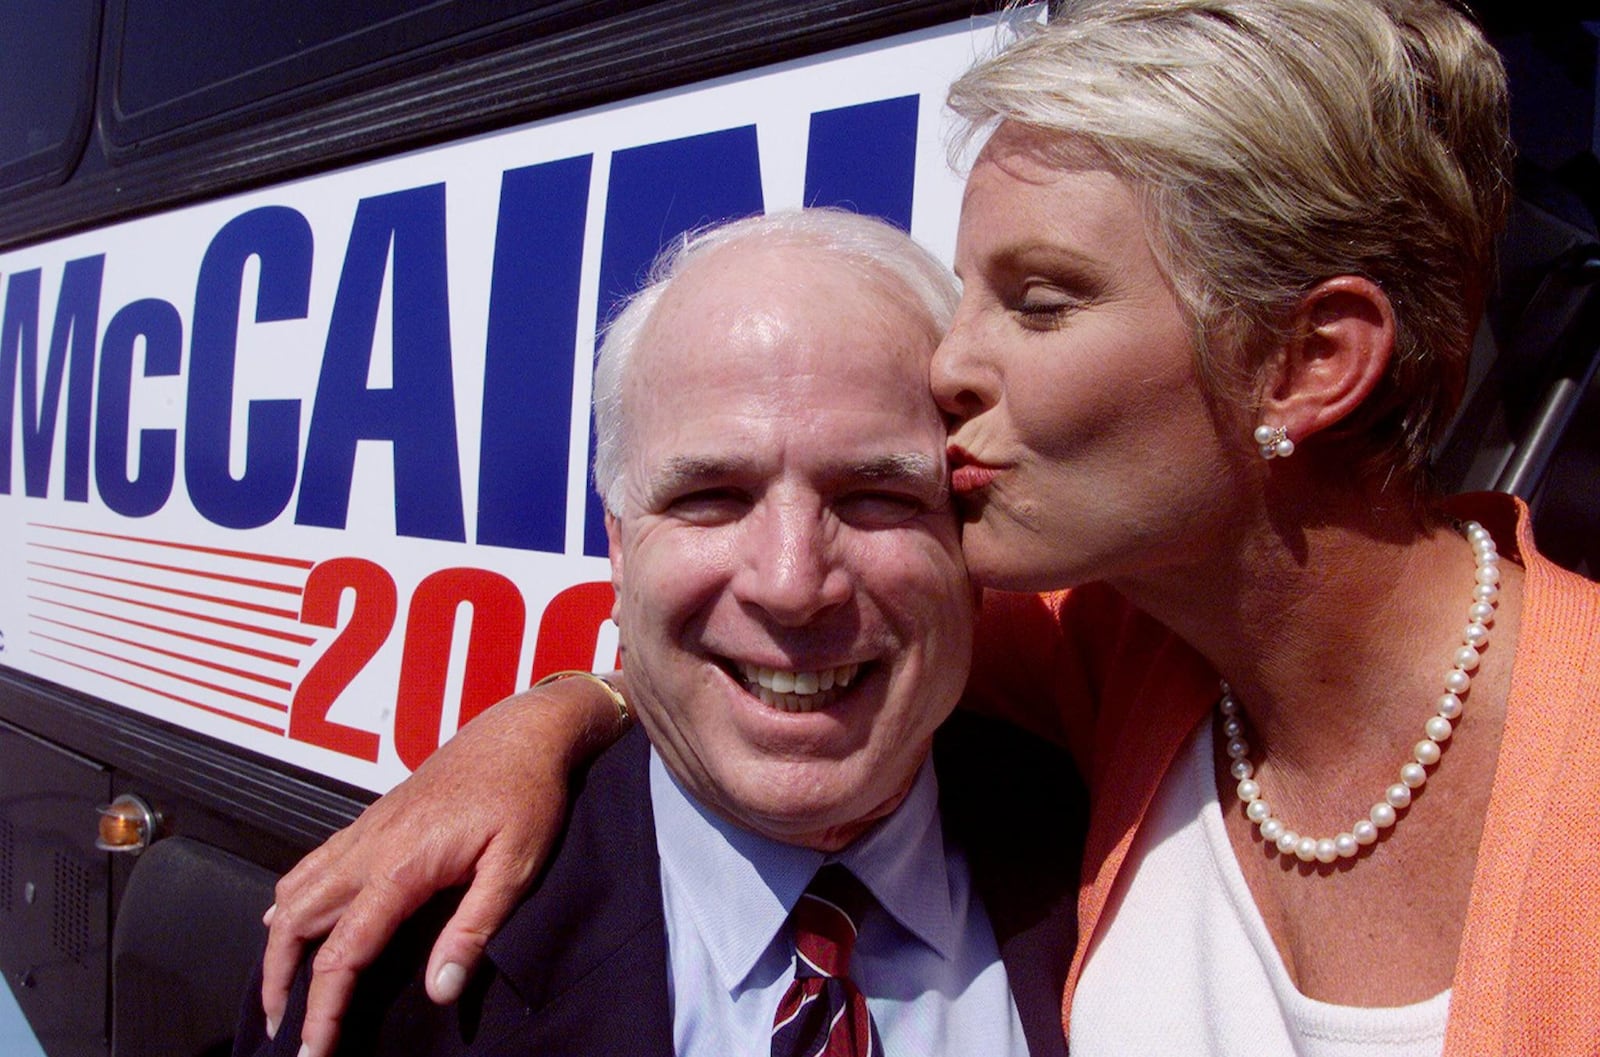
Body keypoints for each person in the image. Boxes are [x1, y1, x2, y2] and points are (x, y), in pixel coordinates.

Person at [260, 1, 1600, 1055]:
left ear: (1308, 363)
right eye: (971, 291)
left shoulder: (1103, 684)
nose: (951, 367)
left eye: (1039, 300)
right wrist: (546, 718)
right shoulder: (1123, 659)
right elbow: (776, 641)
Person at [237, 209, 1084, 1057]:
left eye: (878, 495)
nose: (791, 584)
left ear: (971, 548)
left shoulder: (1102, 840)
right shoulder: (383, 972)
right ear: (618, 550)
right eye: (709, 496)